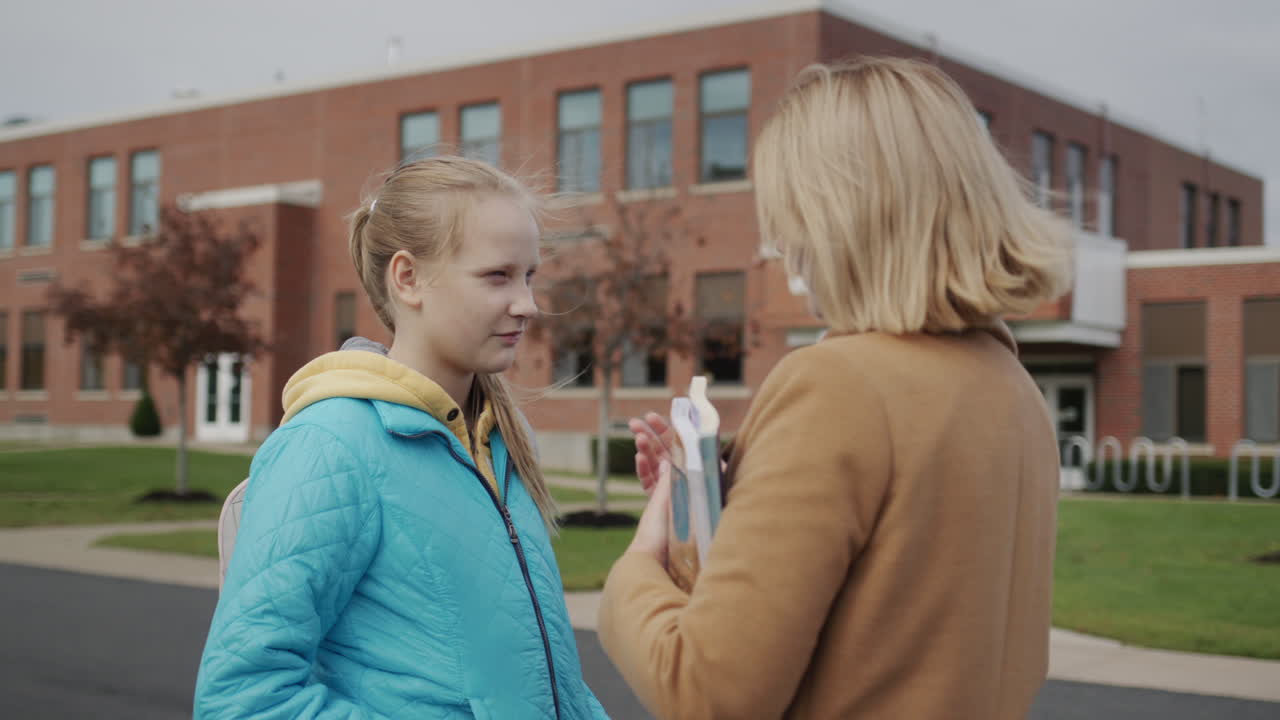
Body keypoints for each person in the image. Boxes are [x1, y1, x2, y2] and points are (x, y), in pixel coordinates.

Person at [599, 57, 1074, 719]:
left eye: (789, 215)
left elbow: (704, 692)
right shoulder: (1016, 394)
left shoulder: (837, 387)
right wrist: (713, 524)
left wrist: (640, 562)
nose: (782, 246)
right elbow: (895, 612)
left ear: (840, 216)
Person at [195, 156, 609, 719]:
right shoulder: (329, 447)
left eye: (530, 275)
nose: (528, 304)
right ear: (408, 278)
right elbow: (241, 700)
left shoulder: (501, 439)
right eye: (498, 276)